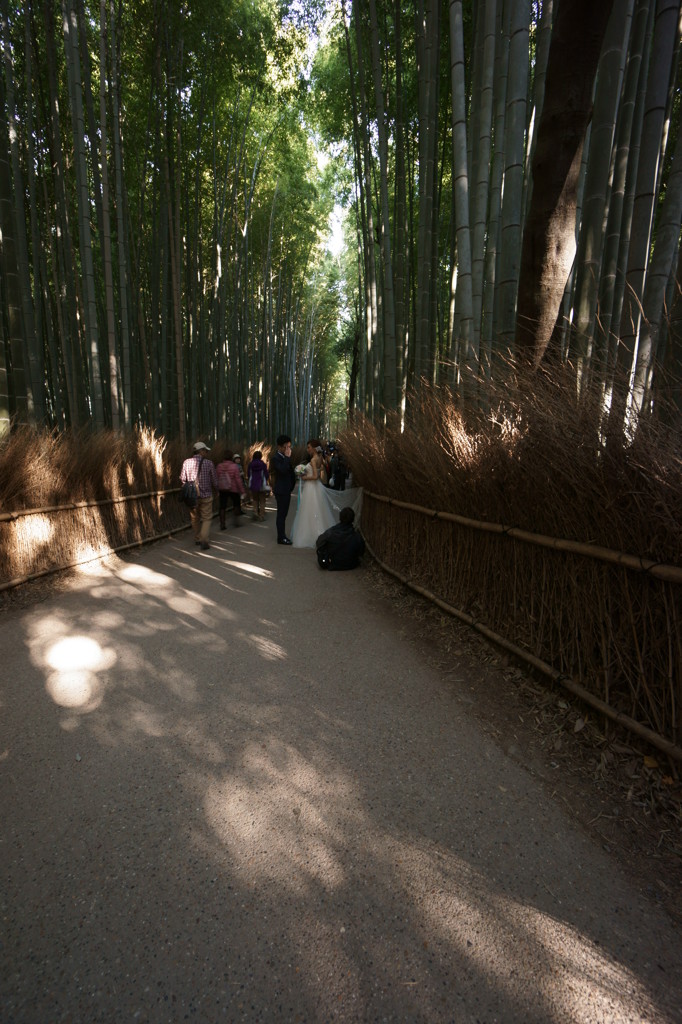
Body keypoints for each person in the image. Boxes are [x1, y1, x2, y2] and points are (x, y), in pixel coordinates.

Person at [291, 439, 335, 548]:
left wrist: (304, 477)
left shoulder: (313, 460)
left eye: (309, 447)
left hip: (311, 487)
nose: (308, 449)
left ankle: (312, 534)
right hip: (316, 487)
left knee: (310, 510)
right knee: (317, 510)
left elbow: (316, 476)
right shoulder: (320, 458)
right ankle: (319, 533)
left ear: (314, 448)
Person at [180, 441, 218, 549]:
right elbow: (214, 480)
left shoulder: (186, 462)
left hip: (192, 497)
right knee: (206, 518)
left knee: (195, 518)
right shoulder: (209, 463)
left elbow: (183, 479)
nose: (206, 452)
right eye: (205, 451)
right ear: (200, 451)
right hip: (206, 495)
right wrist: (217, 489)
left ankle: (197, 538)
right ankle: (204, 539)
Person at [269, 434, 296, 545]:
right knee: (281, 514)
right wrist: (288, 458)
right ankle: (281, 537)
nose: (288, 449)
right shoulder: (276, 458)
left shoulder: (284, 457)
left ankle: (282, 535)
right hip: (281, 490)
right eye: (286, 447)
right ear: (279, 447)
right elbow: (283, 470)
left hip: (286, 489)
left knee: (284, 514)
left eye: (289, 447)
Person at [215, 452, 245, 529]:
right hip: (233, 488)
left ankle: (222, 524)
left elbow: (217, 478)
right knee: (236, 504)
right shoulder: (234, 466)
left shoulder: (219, 466)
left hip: (222, 489)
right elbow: (238, 479)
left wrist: (217, 489)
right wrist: (242, 490)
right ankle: (236, 522)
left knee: (222, 506)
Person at [247, 450, 270, 521]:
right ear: (260, 457)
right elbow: (266, 474)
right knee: (262, 500)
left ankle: (255, 512)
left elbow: (248, 474)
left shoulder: (250, 464)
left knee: (255, 499)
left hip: (253, 484)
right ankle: (261, 516)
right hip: (261, 484)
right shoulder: (263, 464)